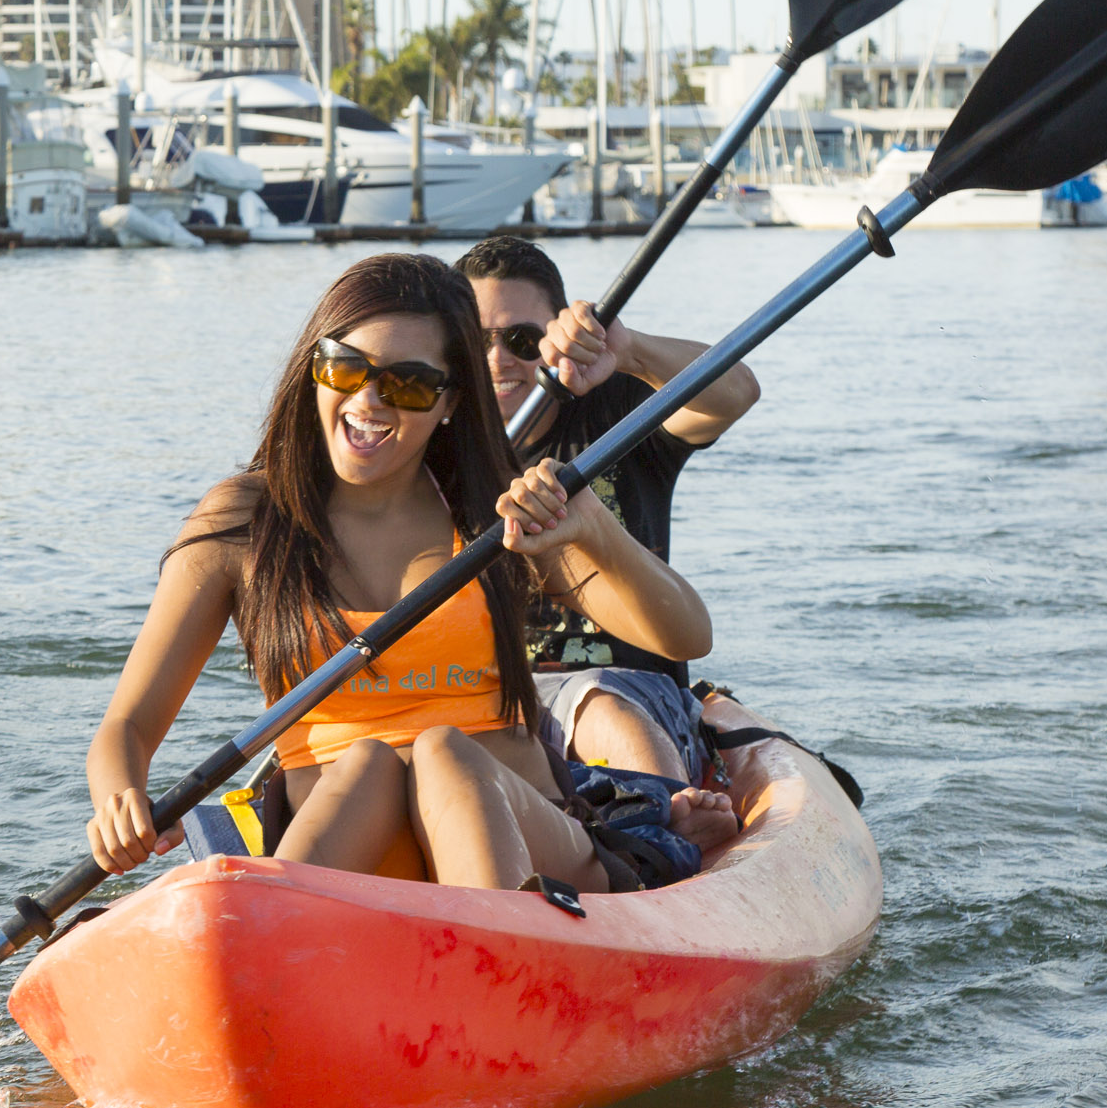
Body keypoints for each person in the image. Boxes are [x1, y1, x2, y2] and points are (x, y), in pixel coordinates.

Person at [83, 252, 733, 894]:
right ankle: (265, 934)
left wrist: (594, 528)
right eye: (343, 368)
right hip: (349, 841)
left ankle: (498, 953)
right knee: (367, 763)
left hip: (524, 831)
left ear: (451, 401)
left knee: (444, 755)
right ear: (313, 368)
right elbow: (128, 728)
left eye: (408, 384)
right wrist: (119, 799)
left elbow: (686, 637)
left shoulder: (492, 507)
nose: (367, 401)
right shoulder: (242, 520)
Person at [457, 236, 760, 828]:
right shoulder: (433, 437)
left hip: (626, 685)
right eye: (477, 341)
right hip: (483, 691)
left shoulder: (618, 408)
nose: (498, 360)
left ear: (558, 338)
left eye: (523, 341)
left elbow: (736, 393)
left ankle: (670, 829)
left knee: (601, 704)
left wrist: (629, 351)